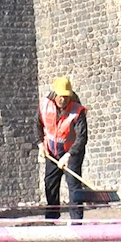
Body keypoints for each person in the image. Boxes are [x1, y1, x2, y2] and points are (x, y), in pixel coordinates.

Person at [36, 77, 88, 220]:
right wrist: (40, 144)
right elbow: (37, 125)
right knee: (50, 183)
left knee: (74, 186)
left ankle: (76, 221)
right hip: (52, 151)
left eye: (66, 97)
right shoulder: (45, 105)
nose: (63, 100)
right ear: (55, 94)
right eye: (61, 96)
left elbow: (82, 137)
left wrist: (69, 155)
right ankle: (52, 217)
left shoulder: (77, 111)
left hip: (71, 152)